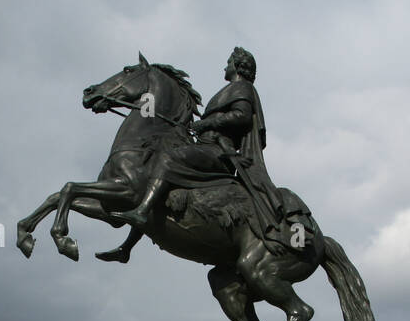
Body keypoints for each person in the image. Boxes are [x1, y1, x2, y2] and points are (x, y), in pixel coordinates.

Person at [117, 46, 285, 239]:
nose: (225, 67)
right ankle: (128, 244)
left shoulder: (242, 88)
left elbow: (242, 116)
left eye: (228, 62)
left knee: (170, 157)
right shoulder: (232, 89)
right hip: (207, 146)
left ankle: (142, 211)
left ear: (238, 66)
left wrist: (206, 123)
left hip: (219, 151)